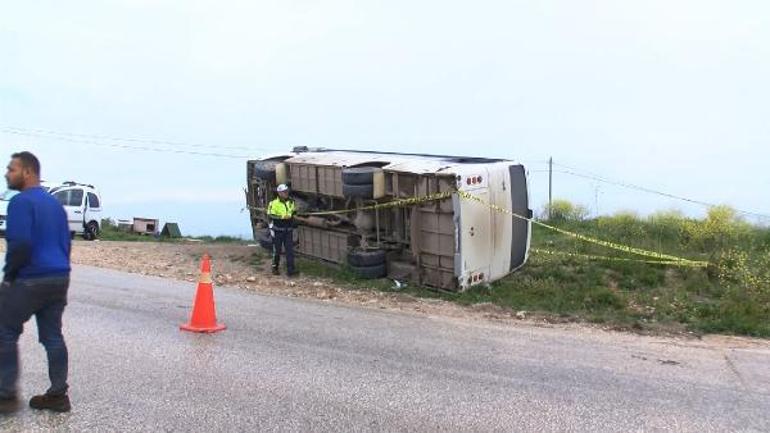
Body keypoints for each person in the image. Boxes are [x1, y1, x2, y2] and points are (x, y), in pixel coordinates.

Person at [0, 152, 72, 414]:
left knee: (5, 331)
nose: (7, 173)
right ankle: (58, 394)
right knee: (53, 336)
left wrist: (8, 278)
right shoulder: (55, 205)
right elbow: (66, 243)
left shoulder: (20, 202)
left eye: (12, 169)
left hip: (31, 277)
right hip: (59, 276)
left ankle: (6, 395)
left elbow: (19, 244)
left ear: (28, 172)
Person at [266, 184, 297, 276]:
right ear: (279, 193)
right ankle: (275, 267)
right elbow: (270, 215)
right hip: (278, 230)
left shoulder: (291, 201)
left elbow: (293, 211)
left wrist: (294, 215)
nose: (286, 193)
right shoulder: (273, 203)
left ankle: (290, 270)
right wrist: (282, 217)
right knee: (277, 251)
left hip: (288, 230)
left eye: (287, 191)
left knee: (290, 251)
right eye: (284, 192)